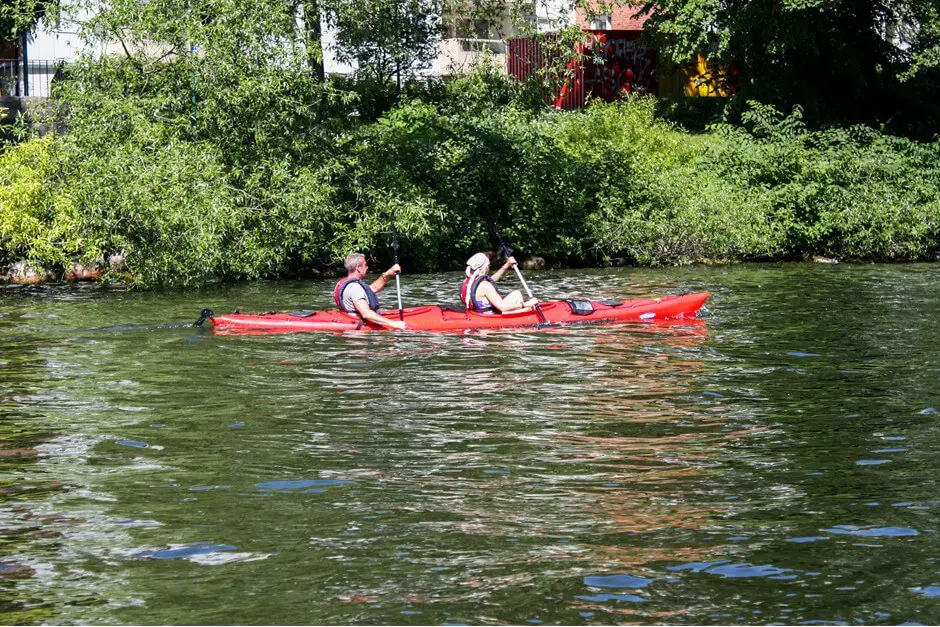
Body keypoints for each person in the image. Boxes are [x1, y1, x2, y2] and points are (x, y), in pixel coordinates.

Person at [334, 252, 406, 330]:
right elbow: (366, 314)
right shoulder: (354, 288)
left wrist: (387, 274)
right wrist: (394, 324)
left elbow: (372, 289)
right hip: (360, 335)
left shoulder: (346, 283)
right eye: (365, 265)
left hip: (351, 319)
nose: (367, 267)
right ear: (358, 267)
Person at [460, 252, 539, 314]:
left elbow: (491, 281)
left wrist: (506, 265)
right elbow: (502, 307)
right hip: (489, 317)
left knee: (516, 293)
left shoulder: (469, 281)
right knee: (526, 306)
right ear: (485, 267)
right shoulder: (485, 286)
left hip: (478, 313)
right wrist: (526, 304)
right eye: (488, 266)